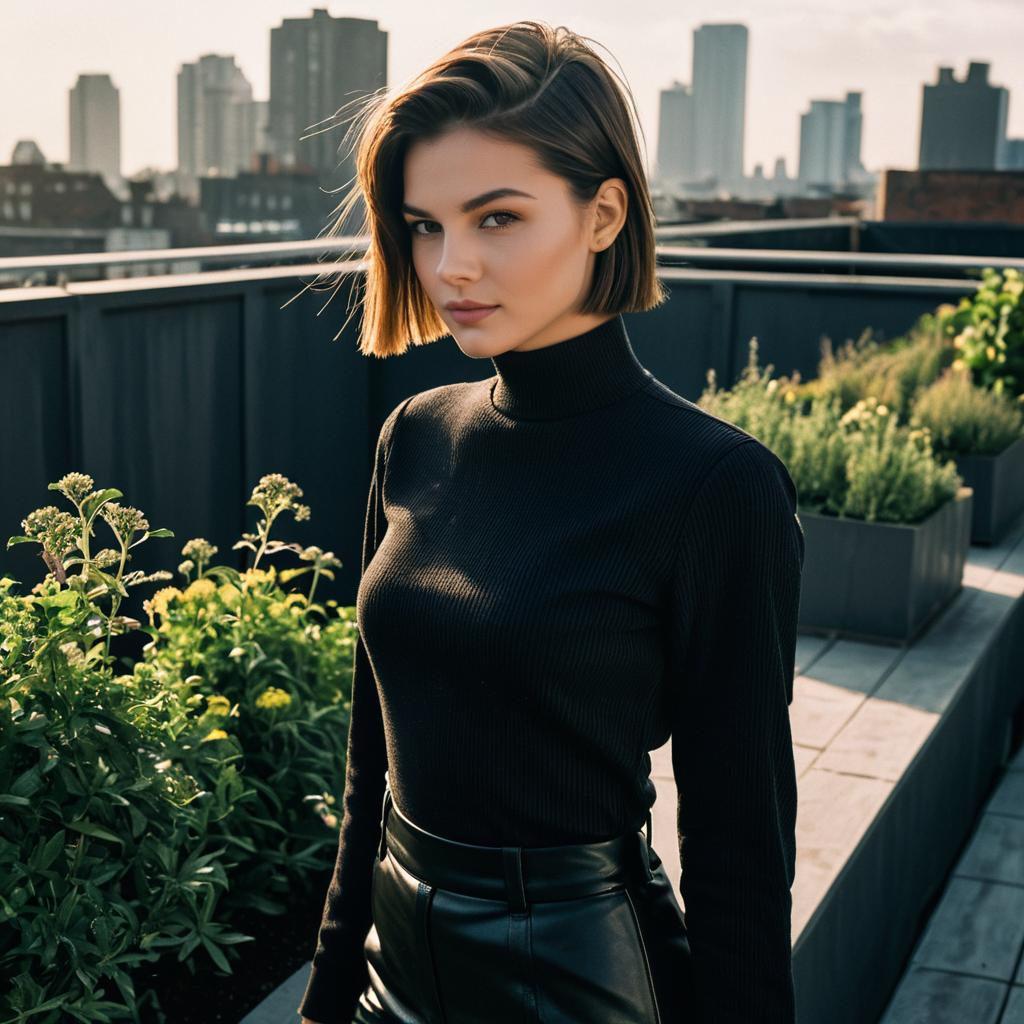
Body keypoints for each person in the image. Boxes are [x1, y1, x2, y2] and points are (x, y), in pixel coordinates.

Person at [297, 20, 804, 1024]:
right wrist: (326, 991)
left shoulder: (715, 484)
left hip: (575, 975)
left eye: (497, 218)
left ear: (603, 214)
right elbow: (371, 764)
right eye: (424, 225)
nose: (451, 266)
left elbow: (740, 837)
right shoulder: (415, 434)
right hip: (393, 962)